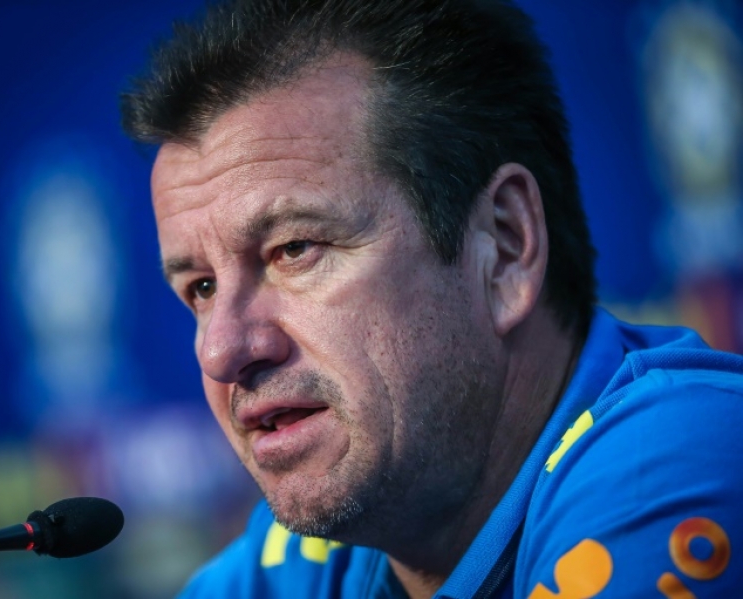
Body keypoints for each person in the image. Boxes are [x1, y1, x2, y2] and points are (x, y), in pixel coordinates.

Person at [120, 0, 743, 596]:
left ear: (503, 246)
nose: (221, 351)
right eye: (201, 288)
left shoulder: (676, 458)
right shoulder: (308, 563)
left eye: (294, 249)